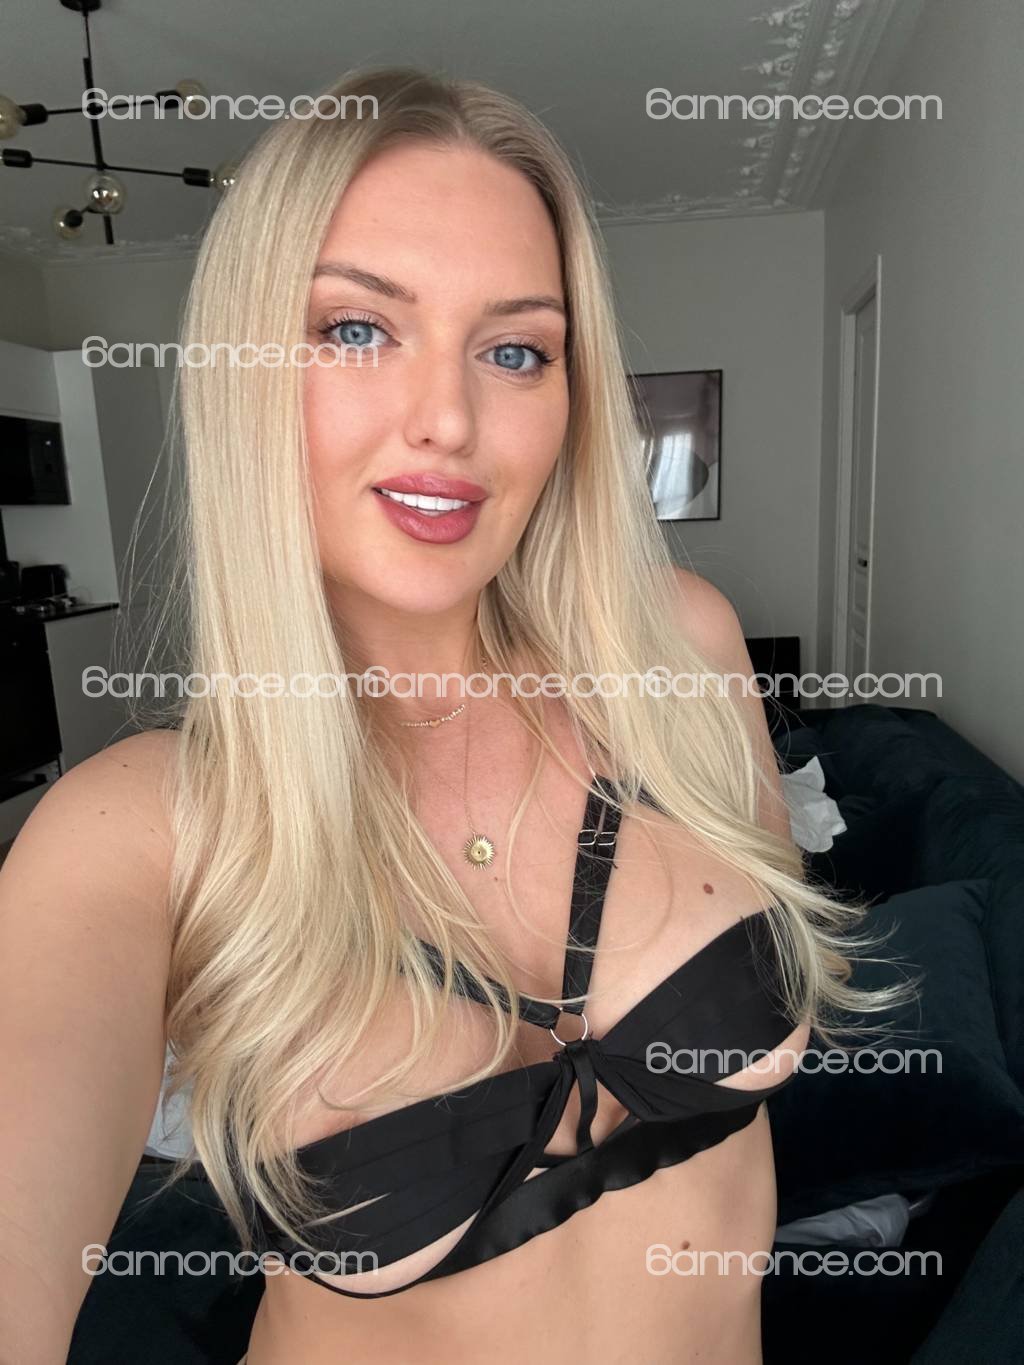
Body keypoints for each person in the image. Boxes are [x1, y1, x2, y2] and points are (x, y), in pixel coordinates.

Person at [0, 66, 903, 1365]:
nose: (447, 420)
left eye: (515, 350)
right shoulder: (136, 834)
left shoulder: (684, 650)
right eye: (357, 330)